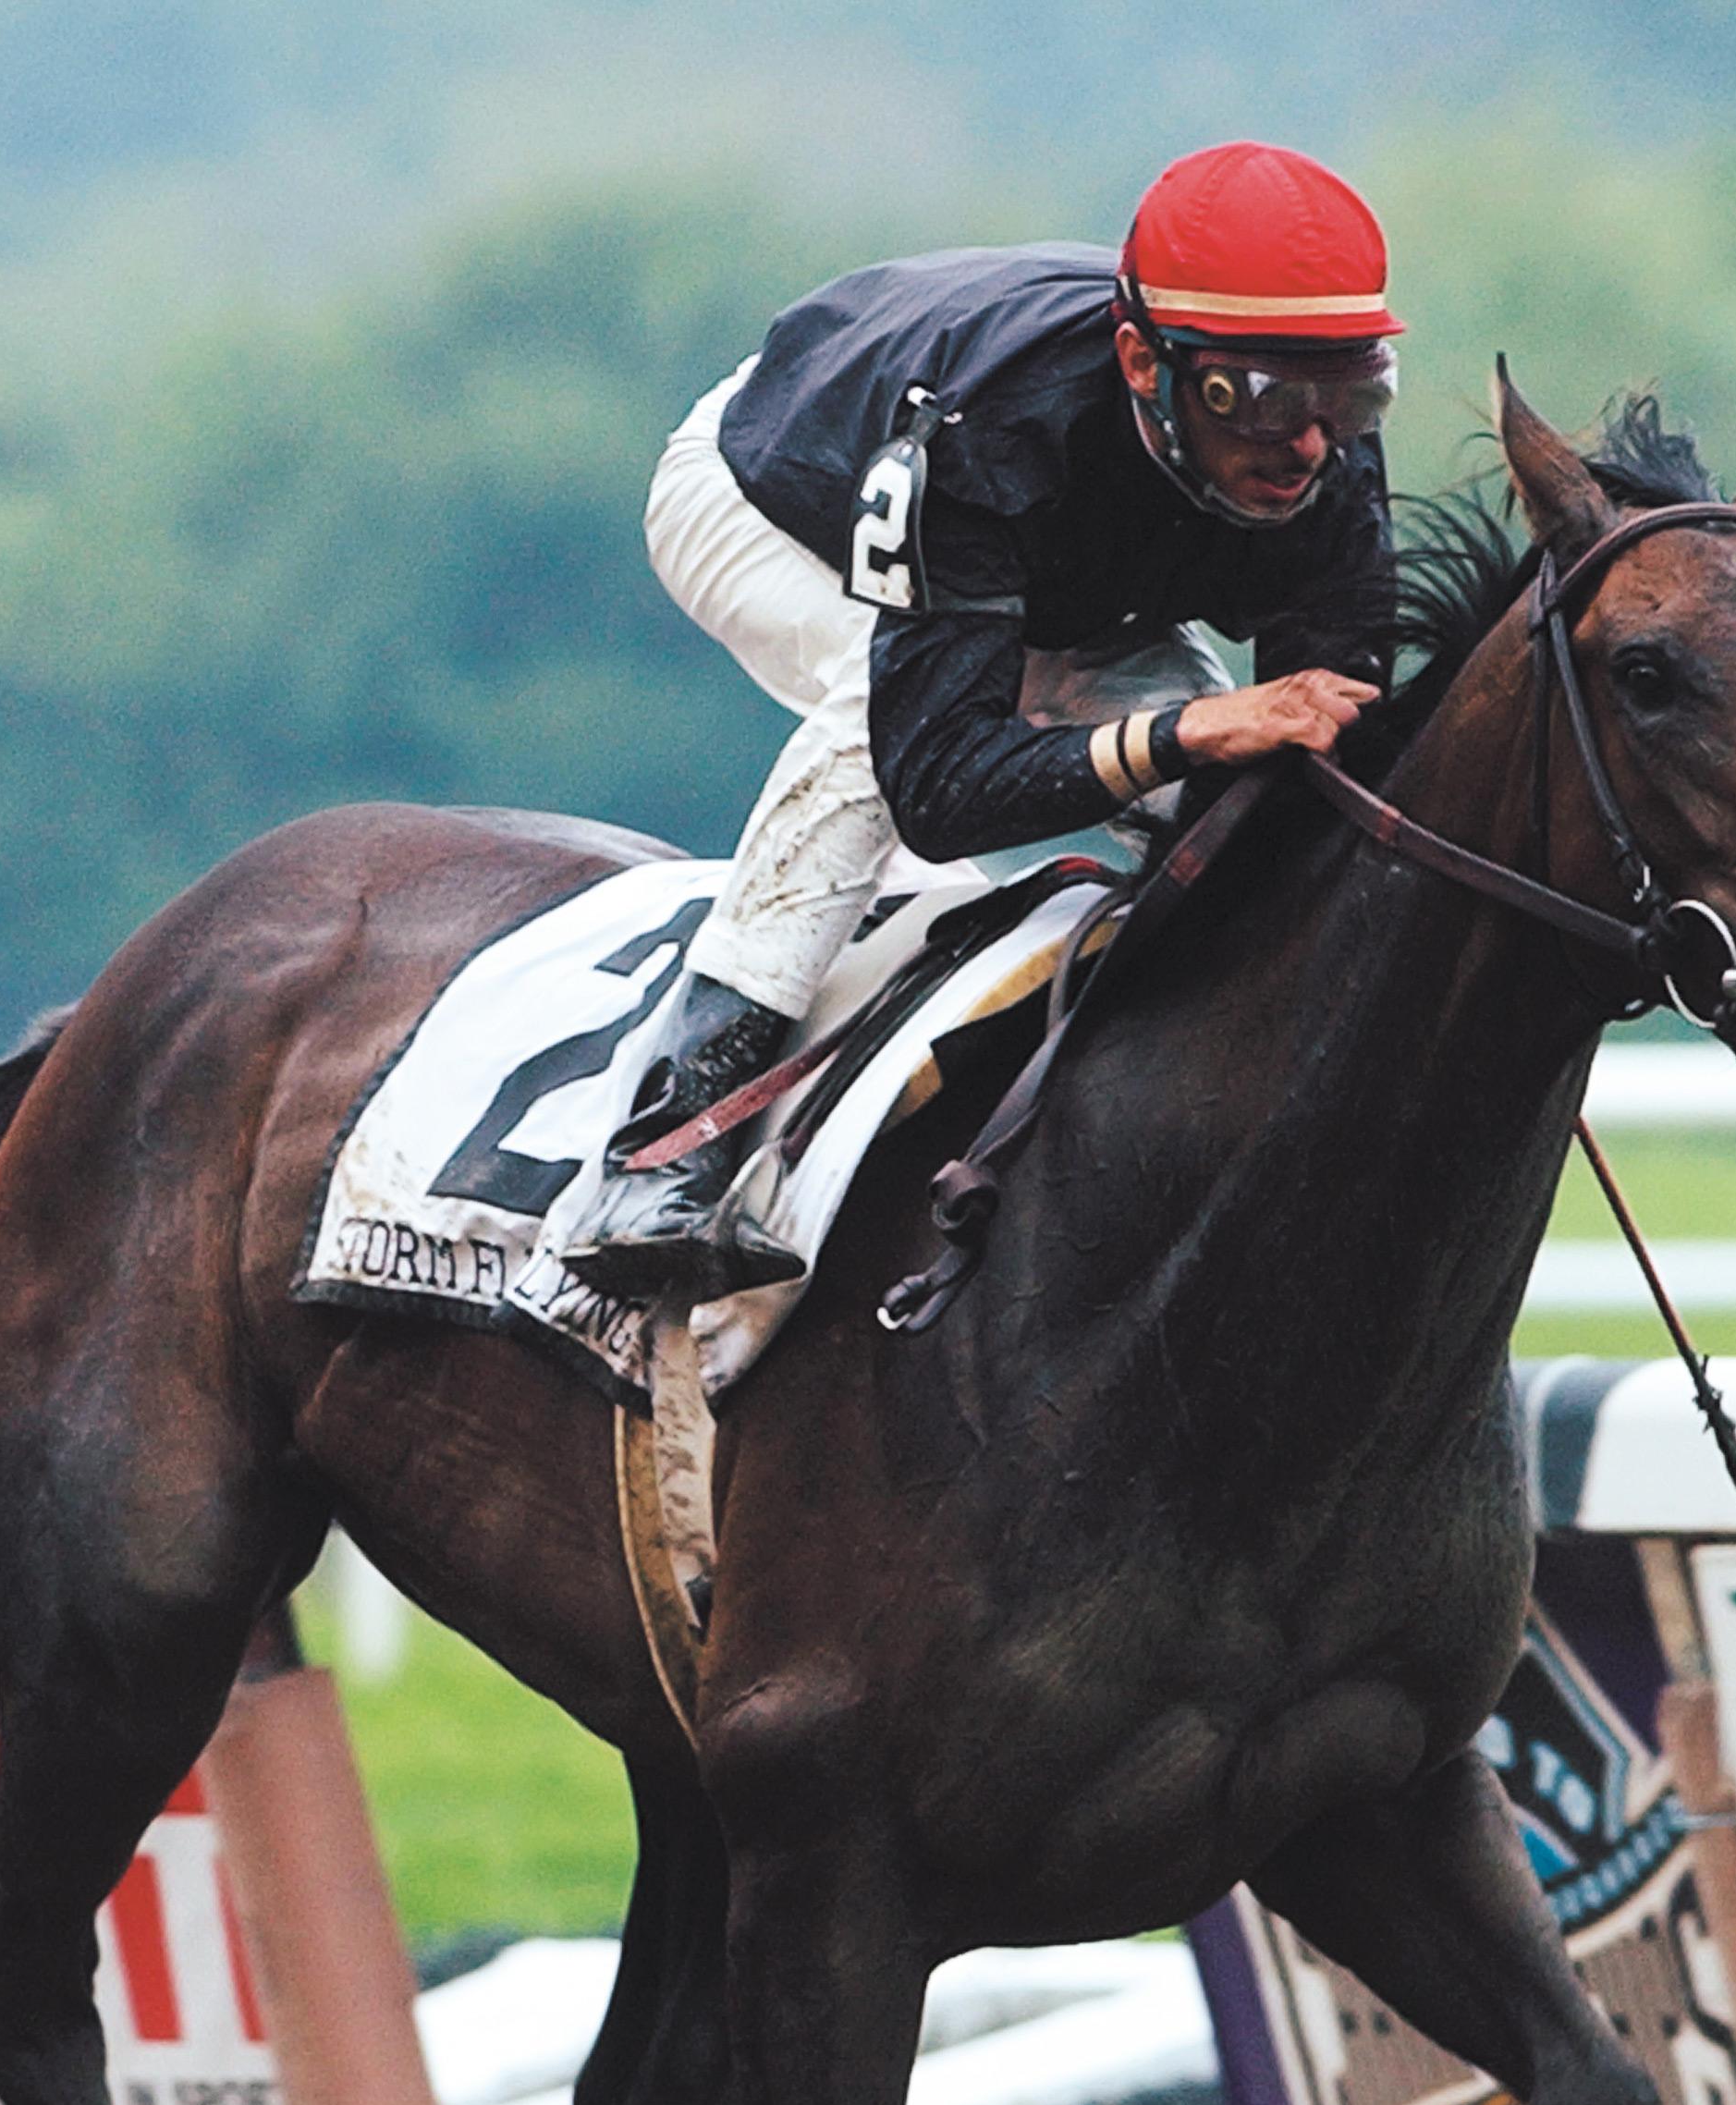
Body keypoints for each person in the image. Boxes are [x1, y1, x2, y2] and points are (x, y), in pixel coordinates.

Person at [567, 141, 1405, 1301]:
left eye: (1346, 394)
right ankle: (659, 1148)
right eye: (1260, 399)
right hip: (776, 499)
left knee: (1265, 796)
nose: (1307, 443)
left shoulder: (1323, 450)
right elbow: (943, 783)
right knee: (877, 724)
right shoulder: (988, 427)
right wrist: (1179, 732)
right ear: (1141, 361)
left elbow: (1329, 754)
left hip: (1056, 579)